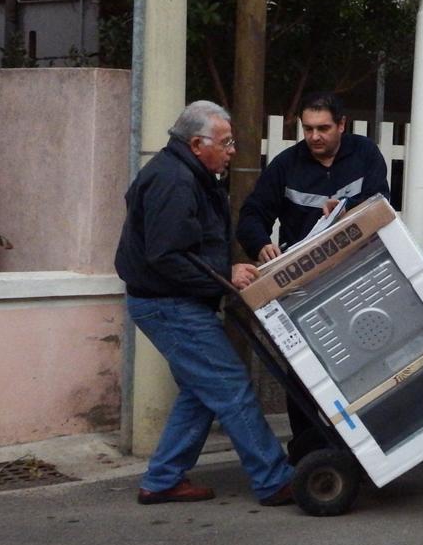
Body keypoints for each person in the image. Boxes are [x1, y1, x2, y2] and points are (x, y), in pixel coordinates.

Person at [115, 100, 294, 507]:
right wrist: (224, 275)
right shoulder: (174, 181)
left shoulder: (185, 173)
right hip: (170, 303)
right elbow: (168, 256)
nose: (232, 150)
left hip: (169, 300)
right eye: (226, 143)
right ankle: (274, 479)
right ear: (197, 144)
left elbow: (183, 248)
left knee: (201, 391)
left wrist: (223, 269)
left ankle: (162, 480)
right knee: (231, 386)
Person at [237, 91, 390, 462]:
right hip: (302, 287)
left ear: (341, 125)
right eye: (308, 129)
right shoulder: (286, 165)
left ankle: (368, 446)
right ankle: (308, 450)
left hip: (357, 278)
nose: (315, 136)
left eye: (323, 128)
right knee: (304, 372)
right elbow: (252, 214)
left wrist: (347, 210)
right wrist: (261, 245)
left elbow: (382, 205)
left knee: (362, 362)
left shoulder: (366, 155)